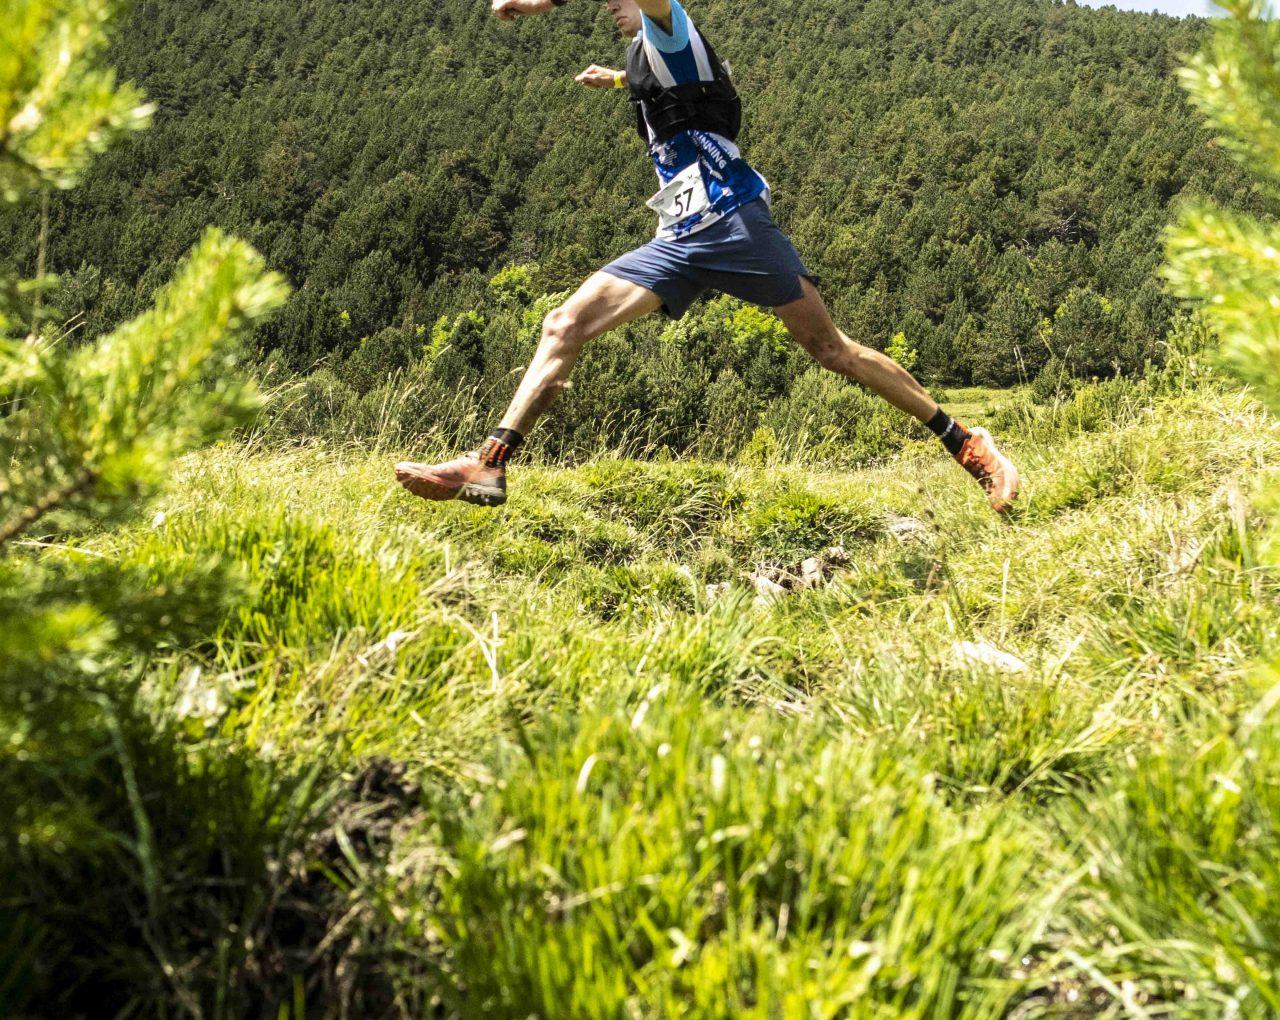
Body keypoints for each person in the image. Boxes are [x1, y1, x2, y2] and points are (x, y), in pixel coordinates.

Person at [395, 0, 1021, 513]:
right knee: (564, 324)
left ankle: (967, 443)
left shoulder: (670, 26)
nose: (611, 7)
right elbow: (673, 88)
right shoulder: (649, 55)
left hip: (735, 222)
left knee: (831, 350)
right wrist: (616, 80)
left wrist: (542, 2)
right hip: (678, 236)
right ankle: (489, 464)